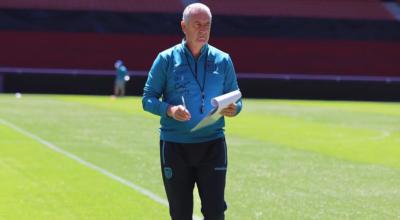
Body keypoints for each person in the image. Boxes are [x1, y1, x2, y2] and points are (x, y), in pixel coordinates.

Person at [142, 3, 242, 220]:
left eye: (207, 25)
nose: (203, 30)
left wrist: (235, 109)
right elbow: (147, 99)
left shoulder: (223, 59)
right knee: (180, 213)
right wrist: (169, 109)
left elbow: (236, 96)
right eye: (197, 24)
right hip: (176, 146)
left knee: (215, 212)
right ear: (183, 26)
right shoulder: (166, 59)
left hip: (213, 145)